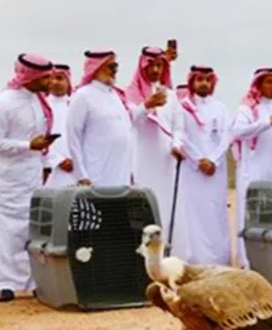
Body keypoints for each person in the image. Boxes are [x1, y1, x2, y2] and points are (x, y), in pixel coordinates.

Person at [0, 53, 56, 303]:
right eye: (45, 77)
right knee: (6, 232)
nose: (50, 81)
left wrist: (43, 159)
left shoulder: (38, 102)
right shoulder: (3, 103)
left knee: (31, 228)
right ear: (31, 76)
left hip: (32, 175)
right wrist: (26, 145)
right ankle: (6, 284)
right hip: (8, 179)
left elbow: (40, 140)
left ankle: (34, 281)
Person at [228, 67, 272, 267]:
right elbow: (237, 131)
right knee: (253, 214)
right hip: (254, 172)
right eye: (268, 82)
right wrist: (265, 123)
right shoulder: (247, 108)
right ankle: (248, 261)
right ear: (259, 84)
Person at [174, 65, 233, 266]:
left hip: (216, 171)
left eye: (208, 79)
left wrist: (213, 160)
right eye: (199, 79)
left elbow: (227, 136)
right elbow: (181, 136)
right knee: (194, 215)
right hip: (193, 172)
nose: (204, 83)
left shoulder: (221, 108)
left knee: (217, 214)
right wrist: (199, 160)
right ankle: (198, 262)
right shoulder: (182, 107)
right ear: (192, 82)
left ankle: (221, 260)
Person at [63, 48, 134, 187]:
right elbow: (73, 136)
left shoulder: (115, 96)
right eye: (111, 66)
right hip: (96, 174)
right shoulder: (83, 96)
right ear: (97, 67)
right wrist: (81, 175)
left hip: (121, 174)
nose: (115, 70)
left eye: (116, 66)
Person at [129, 46, 184, 221]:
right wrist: (146, 105)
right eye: (150, 65)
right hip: (142, 158)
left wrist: (176, 145)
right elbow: (130, 120)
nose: (155, 70)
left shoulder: (171, 96)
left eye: (159, 66)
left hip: (166, 160)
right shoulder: (130, 92)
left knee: (167, 205)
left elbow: (178, 126)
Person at [43, 63, 72, 184]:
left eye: (59, 78)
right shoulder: (42, 106)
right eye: (51, 78)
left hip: (78, 166)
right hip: (50, 167)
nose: (55, 82)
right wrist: (58, 160)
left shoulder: (76, 104)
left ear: (68, 81)